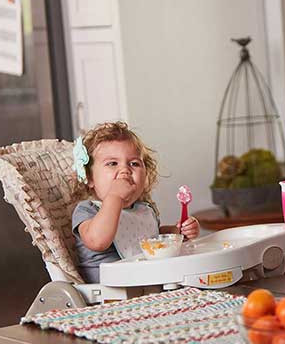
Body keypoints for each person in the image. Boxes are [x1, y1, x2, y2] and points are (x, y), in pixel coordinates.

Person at [70, 121, 200, 283]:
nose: (125, 170)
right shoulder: (87, 210)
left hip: (147, 283)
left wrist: (178, 232)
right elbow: (97, 240)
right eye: (112, 163)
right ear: (89, 178)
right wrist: (115, 197)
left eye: (134, 163)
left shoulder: (143, 209)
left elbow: (150, 238)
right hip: (110, 292)